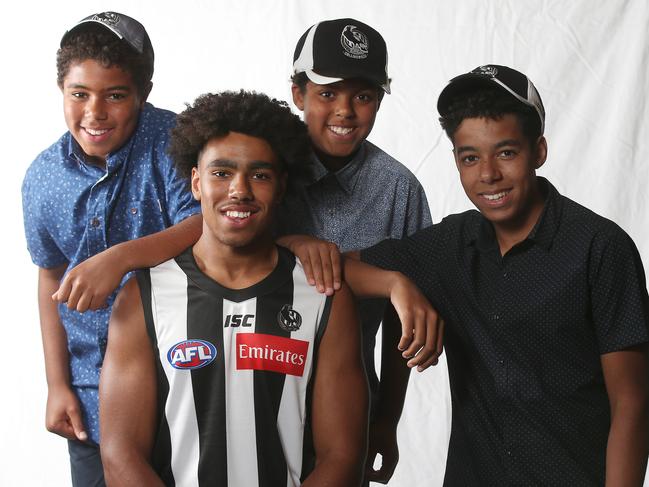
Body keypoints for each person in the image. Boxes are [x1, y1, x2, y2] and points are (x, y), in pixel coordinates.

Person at [341, 64, 648, 484]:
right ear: (456, 161)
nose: (488, 174)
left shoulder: (600, 247)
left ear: (538, 150)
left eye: (506, 152)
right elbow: (337, 270)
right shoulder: (450, 244)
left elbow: (632, 402)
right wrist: (395, 283)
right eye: (471, 158)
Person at [99, 91, 369, 486]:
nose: (239, 190)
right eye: (221, 173)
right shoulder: (143, 296)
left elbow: (342, 457)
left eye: (259, 175)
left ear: (280, 187)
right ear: (195, 182)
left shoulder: (323, 296)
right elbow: (120, 455)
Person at [21, 12, 202, 485]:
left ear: (142, 92)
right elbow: (49, 279)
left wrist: (122, 256)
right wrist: (57, 384)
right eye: (79, 94)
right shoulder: (42, 178)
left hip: (182, 381)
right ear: (61, 89)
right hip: (88, 395)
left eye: (115, 95)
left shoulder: (178, 143)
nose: (94, 113)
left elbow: (207, 224)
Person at [278, 18, 433, 483]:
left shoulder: (399, 189)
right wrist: (290, 243)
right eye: (327, 93)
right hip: (253, 389)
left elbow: (398, 321)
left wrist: (387, 419)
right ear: (298, 94)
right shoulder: (262, 167)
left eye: (363, 96)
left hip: (350, 403)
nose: (345, 111)